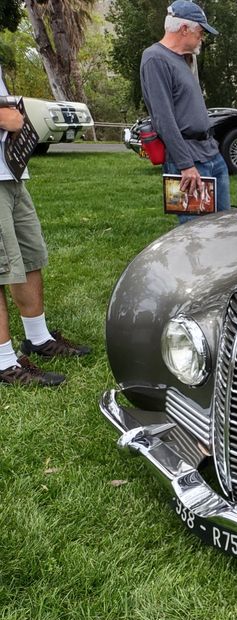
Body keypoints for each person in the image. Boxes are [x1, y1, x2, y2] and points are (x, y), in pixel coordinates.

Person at [0, 67, 90, 387]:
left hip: (11, 172)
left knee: (29, 257)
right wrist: (4, 117)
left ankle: (37, 338)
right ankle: (4, 362)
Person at [139, 1, 229, 224]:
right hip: (189, 162)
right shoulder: (155, 59)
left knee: (224, 227)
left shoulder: (184, 59)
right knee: (194, 235)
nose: (202, 37)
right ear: (184, 29)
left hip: (210, 153)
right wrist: (185, 165)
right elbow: (163, 119)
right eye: (201, 31)